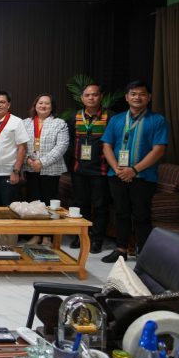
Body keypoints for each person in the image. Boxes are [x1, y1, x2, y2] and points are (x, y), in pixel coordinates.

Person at [101, 81, 168, 262]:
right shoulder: (116, 119)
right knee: (121, 213)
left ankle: (143, 252)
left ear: (149, 97)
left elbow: (158, 150)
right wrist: (117, 168)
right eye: (133, 93)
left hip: (144, 177)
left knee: (141, 215)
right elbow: (107, 145)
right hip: (117, 175)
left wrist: (134, 170)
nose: (137, 97)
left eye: (142, 94)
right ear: (127, 97)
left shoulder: (157, 120)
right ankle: (121, 250)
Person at [67, 83, 111, 253]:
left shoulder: (110, 117)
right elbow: (70, 142)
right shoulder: (75, 117)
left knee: (100, 205)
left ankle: (97, 240)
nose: (91, 98)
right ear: (82, 98)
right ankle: (80, 237)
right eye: (87, 95)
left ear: (100, 96)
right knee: (80, 204)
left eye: (94, 95)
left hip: (101, 170)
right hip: (79, 169)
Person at [22, 94, 69, 246]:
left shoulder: (59, 123)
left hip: (51, 170)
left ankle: (48, 236)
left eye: (47, 104)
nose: (43, 106)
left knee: (50, 202)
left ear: (52, 106)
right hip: (31, 169)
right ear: (35, 105)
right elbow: (21, 145)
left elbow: (61, 146)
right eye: (40, 103)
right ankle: (36, 234)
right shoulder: (26, 123)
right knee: (34, 202)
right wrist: (28, 160)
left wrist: (42, 162)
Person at [0, 91, 28, 207]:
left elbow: (22, 148)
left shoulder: (17, 122)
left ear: (8, 105)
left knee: (9, 209)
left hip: (8, 174)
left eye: (2, 102)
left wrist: (16, 171)